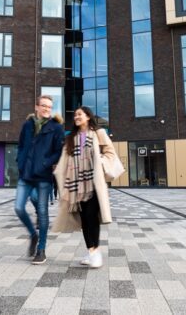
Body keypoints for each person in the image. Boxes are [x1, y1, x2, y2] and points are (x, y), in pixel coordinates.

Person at [52, 106, 117, 268]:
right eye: (75, 115)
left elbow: (110, 153)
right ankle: (92, 252)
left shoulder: (98, 133)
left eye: (79, 114)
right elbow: (64, 160)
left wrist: (100, 162)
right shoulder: (71, 137)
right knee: (84, 220)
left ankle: (95, 252)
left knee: (91, 217)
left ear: (88, 116)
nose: (76, 117)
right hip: (76, 184)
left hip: (93, 183)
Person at [15, 95, 64, 264]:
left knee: (42, 211)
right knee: (19, 208)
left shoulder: (56, 127)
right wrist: (19, 162)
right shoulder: (27, 125)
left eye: (49, 107)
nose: (46, 109)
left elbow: (59, 151)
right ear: (36, 107)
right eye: (43, 106)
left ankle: (41, 249)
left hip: (43, 176)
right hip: (25, 174)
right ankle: (33, 234)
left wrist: (46, 163)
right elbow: (21, 146)